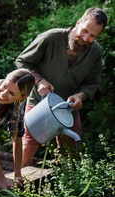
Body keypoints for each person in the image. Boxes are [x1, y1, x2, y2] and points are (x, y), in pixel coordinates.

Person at [15, 7, 108, 167]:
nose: (86, 38)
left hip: (68, 107)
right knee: (28, 146)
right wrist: (39, 80)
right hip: (39, 102)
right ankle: (18, 186)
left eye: (93, 36)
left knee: (72, 148)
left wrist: (81, 96)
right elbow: (22, 61)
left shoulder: (96, 52)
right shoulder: (51, 37)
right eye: (84, 31)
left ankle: (68, 184)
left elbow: (92, 83)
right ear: (79, 22)